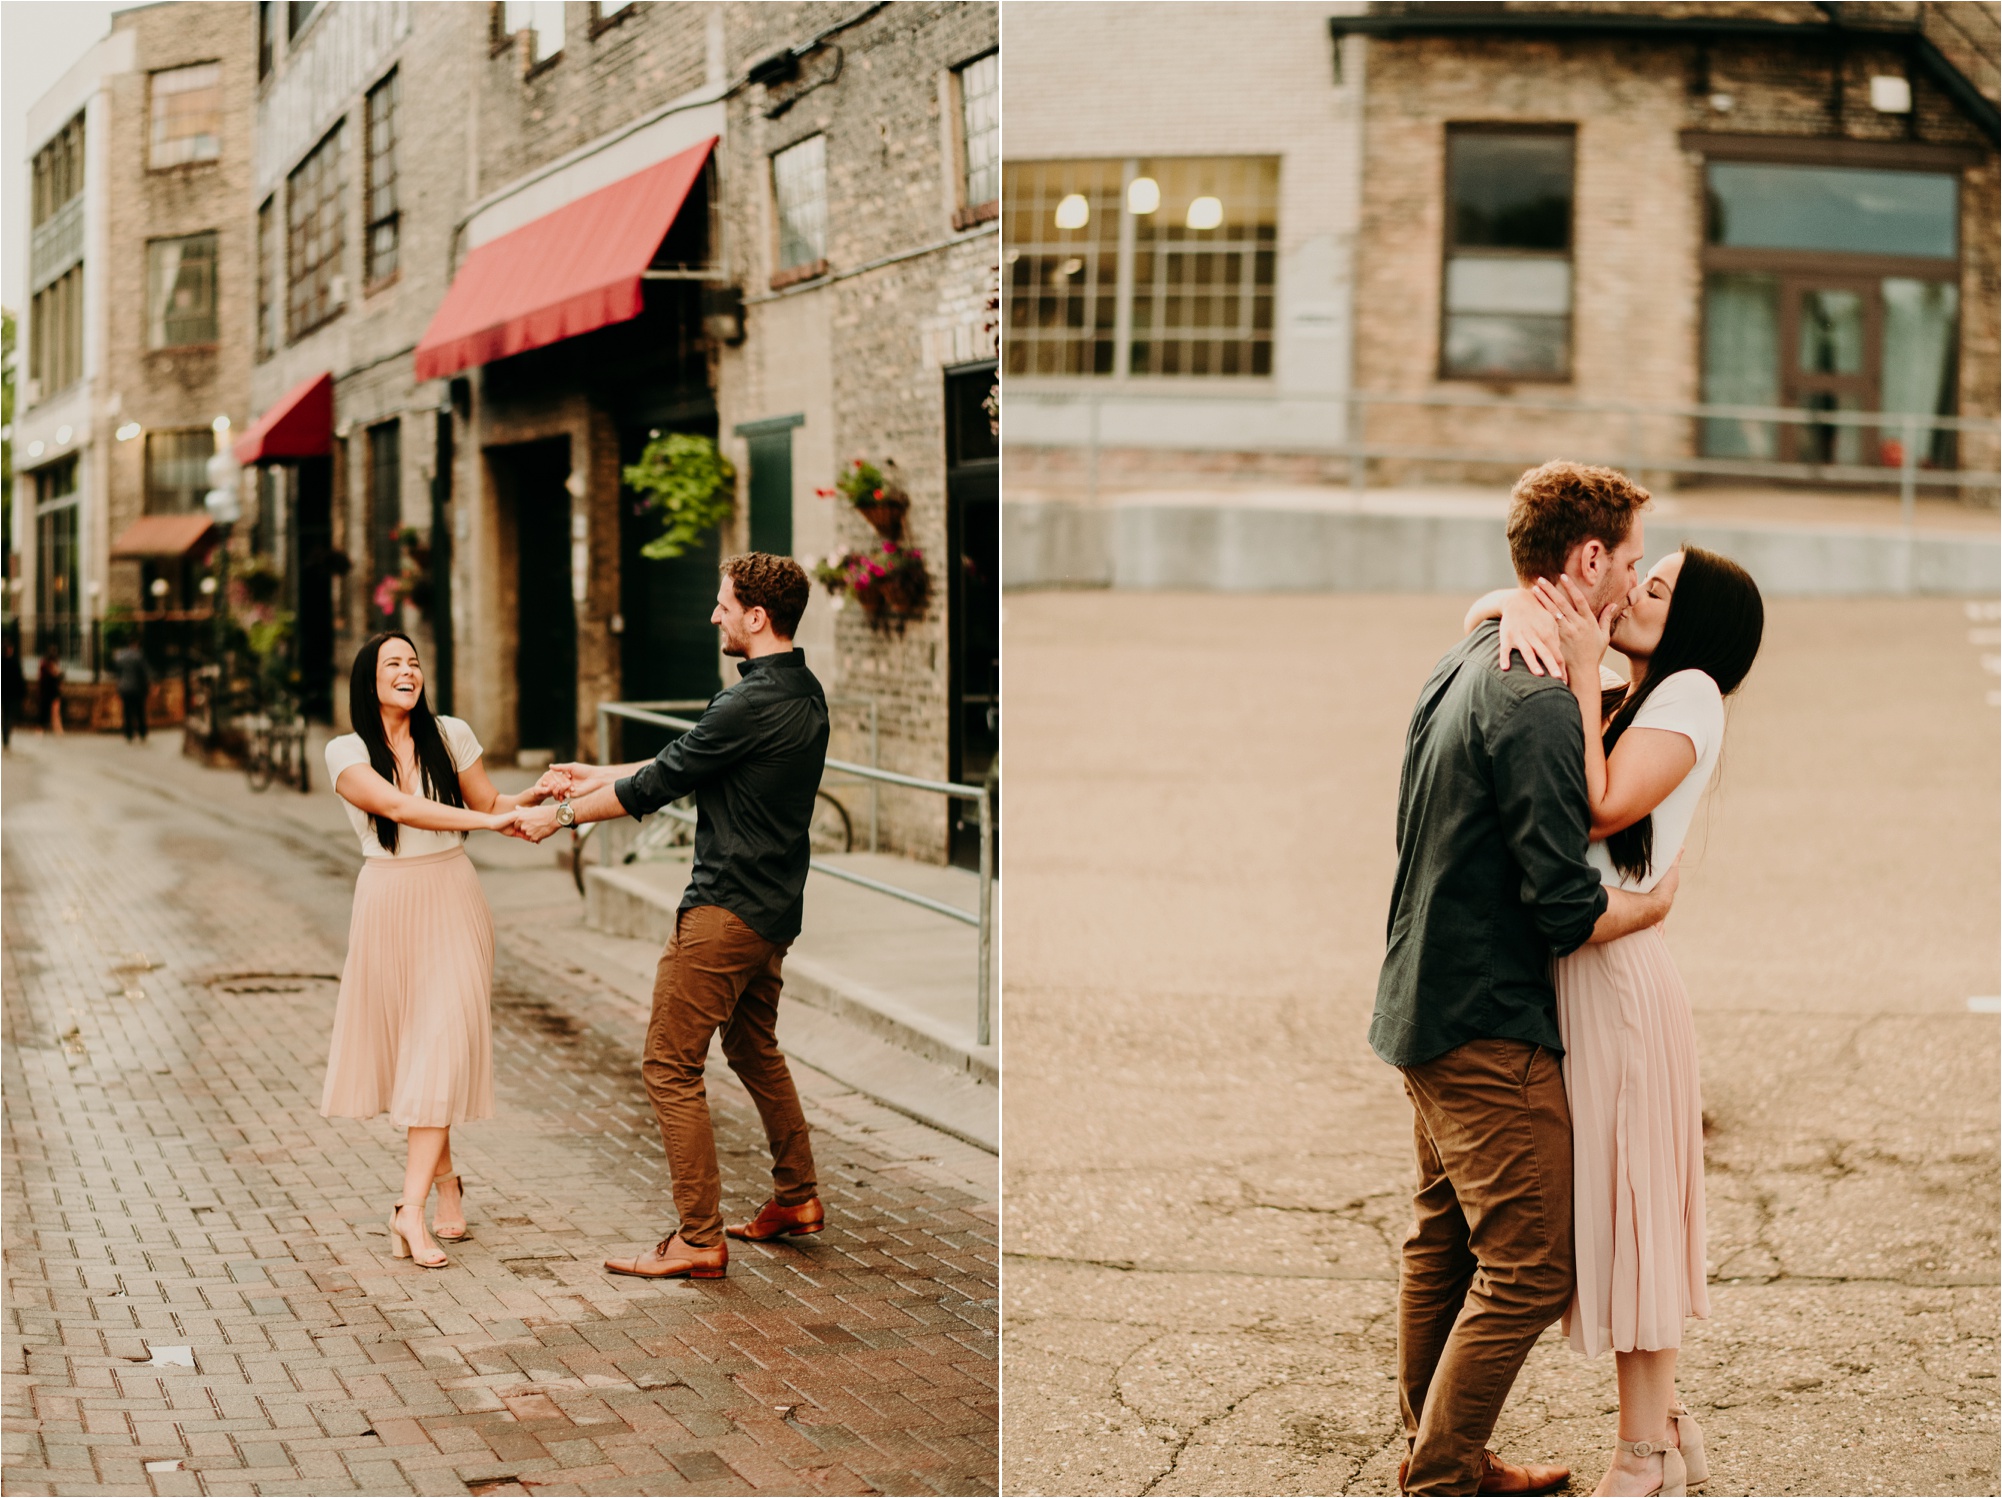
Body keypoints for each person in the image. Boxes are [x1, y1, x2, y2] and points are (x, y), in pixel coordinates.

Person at [1371, 462, 1684, 1498]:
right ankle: (1440, 1477)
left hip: (1416, 995)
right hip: (1486, 1020)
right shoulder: (1545, 698)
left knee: (1445, 1245)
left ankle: (1437, 1448)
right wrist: (1650, 905)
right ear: (1586, 559)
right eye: (1630, 561)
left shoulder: (1471, 650)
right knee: (1528, 1264)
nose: (1636, 581)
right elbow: (1562, 906)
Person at [1462, 545, 1763, 1497]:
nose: (1634, 591)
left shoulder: (1688, 696)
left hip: (1618, 985)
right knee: (1617, 1213)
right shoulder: (1636, 691)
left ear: (1696, 624)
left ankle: (1642, 1457)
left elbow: (1596, 808)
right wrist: (1516, 605)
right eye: (1643, 572)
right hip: (1584, 973)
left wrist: (1586, 672)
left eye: (1660, 588)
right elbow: (1475, 615)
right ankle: (1665, 1432)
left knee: (1634, 1221)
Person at [511, 553, 829, 1281]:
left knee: (668, 1065)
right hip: (773, 913)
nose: (712, 615)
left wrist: (557, 817)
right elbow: (683, 763)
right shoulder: (801, 692)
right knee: (752, 1051)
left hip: (722, 912)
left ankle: (697, 1238)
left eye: (723, 605)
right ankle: (797, 1197)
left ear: (757, 616)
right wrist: (589, 776)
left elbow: (657, 786)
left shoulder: (744, 703)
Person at [320, 631, 564, 1269]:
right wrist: (488, 822)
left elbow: (489, 804)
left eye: (414, 661)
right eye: (392, 663)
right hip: (387, 903)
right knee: (419, 1050)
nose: (408, 671)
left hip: (453, 896)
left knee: (442, 1044)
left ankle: (409, 1210)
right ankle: (447, 1184)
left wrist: (533, 799)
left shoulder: (450, 733)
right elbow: (400, 807)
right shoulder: (344, 751)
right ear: (367, 680)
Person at [113, 636, 152, 743]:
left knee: (127, 711)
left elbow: (118, 672)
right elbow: (144, 673)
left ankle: (129, 733)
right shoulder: (139, 656)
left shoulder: (121, 656)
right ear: (135, 644)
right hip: (137, 689)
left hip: (124, 688)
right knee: (140, 711)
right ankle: (142, 732)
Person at [2, 637, 25, 750]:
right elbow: (19, 680)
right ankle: (6, 736)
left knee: (5, 715)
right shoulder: (14, 662)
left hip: (5, 694)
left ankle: (5, 735)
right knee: (8, 716)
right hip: (10, 694)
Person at [36, 647, 64, 735]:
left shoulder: (50, 666)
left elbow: (59, 678)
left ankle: (57, 728)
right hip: (49, 691)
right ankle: (54, 728)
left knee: (54, 711)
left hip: (52, 692)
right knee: (47, 711)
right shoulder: (45, 666)